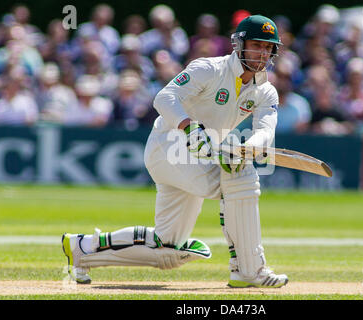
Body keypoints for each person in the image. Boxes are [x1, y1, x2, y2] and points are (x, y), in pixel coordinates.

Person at [62, 15, 289, 288]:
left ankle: (81, 249)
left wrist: (249, 148)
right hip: (169, 148)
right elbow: (164, 97)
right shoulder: (209, 69)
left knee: (168, 248)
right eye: (256, 45)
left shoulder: (265, 91)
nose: (262, 53)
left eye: (268, 48)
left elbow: (265, 130)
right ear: (239, 45)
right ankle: (248, 269)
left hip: (199, 157)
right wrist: (190, 129)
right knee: (240, 177)